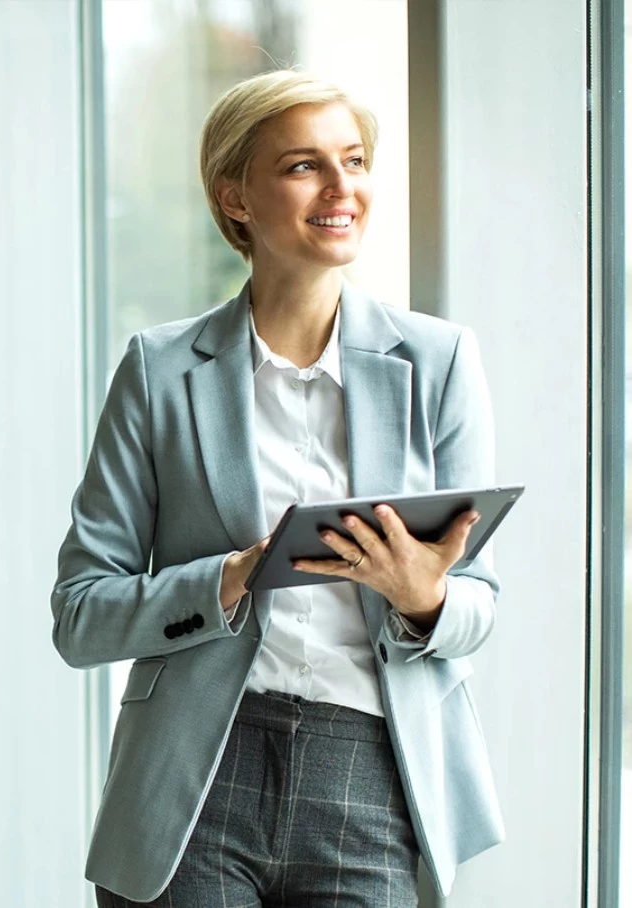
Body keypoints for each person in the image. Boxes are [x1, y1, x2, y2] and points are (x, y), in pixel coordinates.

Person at [52, 69, 503, 907]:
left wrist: (423, 597)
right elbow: (80, 615)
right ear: (235, 198)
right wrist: (227, 580)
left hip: (370, 774)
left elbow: (479, 604)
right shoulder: (159, 371)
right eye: (303, 166)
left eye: (354, 160)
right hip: (196, 776)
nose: (341, 187)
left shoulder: (438, 363)